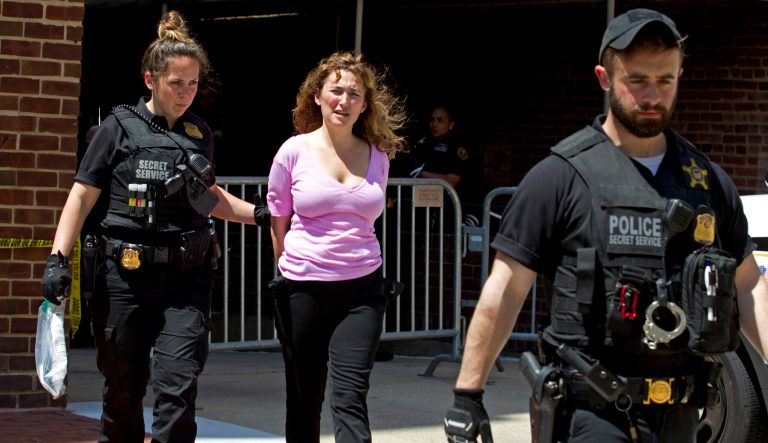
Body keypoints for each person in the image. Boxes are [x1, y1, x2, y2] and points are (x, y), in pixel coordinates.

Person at [444, 8, 768, 443]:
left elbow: (749, 286)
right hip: (589, 409)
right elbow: (505, 289)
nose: (652, 95)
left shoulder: (706, 182)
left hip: (681, 413)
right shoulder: (559, 177)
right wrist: (468, 394)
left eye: (666, 80)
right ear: (604, 77)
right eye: (637, 80)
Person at [40, 10, 266, 443]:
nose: (186, 93)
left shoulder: (200, 133)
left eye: (194, 84)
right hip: (124, 279)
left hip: (186, 279)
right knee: (123, 393)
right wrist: (57, 258)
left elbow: (208, 196)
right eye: (176, 83)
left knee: (178, 391)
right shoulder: (117, 128)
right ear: (150, 79)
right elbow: (82, 195)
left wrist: (258, 213)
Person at [267, 51, 407, 443]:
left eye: (354, 94)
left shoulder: (379, 155)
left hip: (362, 291)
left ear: (365, 105)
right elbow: (278, 221)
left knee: (349, 398)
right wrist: (287, 271)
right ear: (318, 96)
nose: (343, 100)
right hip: (302, 290)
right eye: (336, 91)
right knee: (304, 400)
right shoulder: (292, 152)